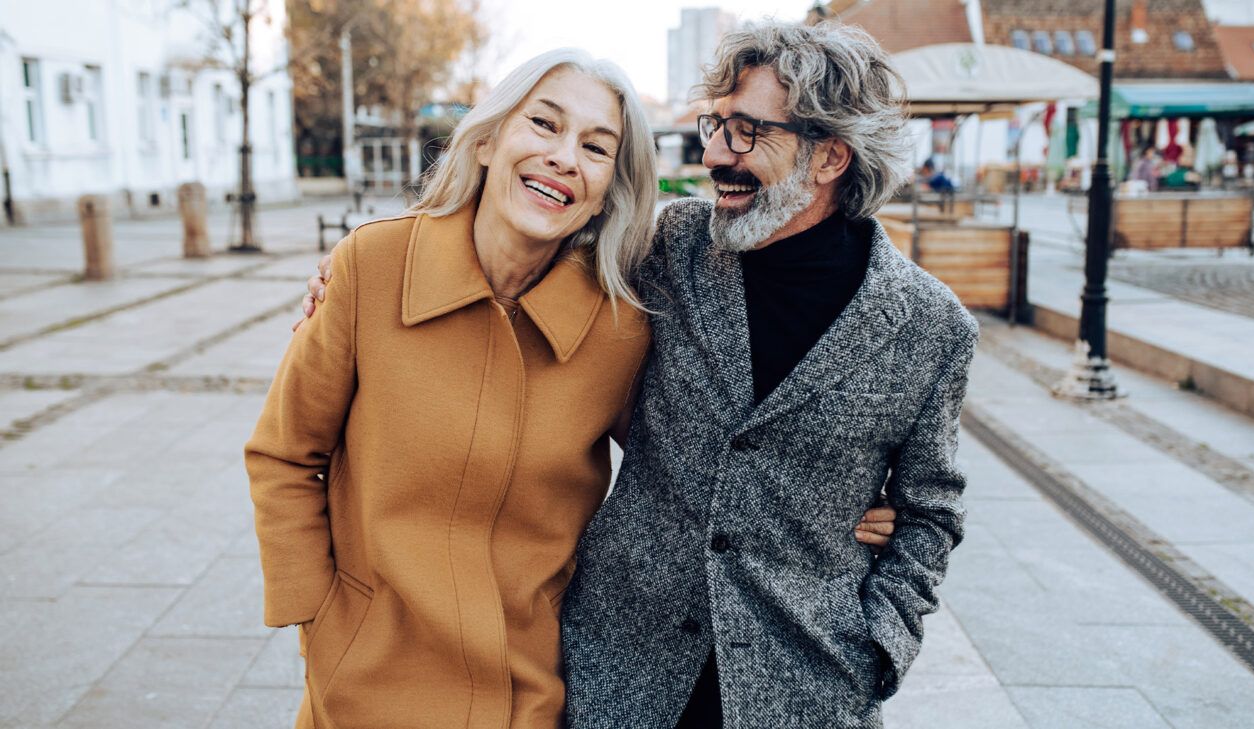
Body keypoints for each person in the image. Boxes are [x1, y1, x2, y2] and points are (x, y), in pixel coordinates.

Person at [268, 47, 897, 729]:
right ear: (489, 139)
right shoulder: (372, 266)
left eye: (596, 148)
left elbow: (702, 460)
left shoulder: (621, 326)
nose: (564, 157)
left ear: (608, 189)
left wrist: (842, 500)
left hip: (531, 692)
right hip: (363, 685)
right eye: (543, 124)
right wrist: (317, 617)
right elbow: (285, 454)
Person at [558, 22, 977, 728]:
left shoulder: (931, 327)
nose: (715, 152)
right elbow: (533, 253)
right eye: (715, 124)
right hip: (622, 668)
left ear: (830, 157)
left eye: (747, 131)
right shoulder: (671, 247)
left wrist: (881, 645)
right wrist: (372, 266)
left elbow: (931, 512)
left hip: (806, 685)